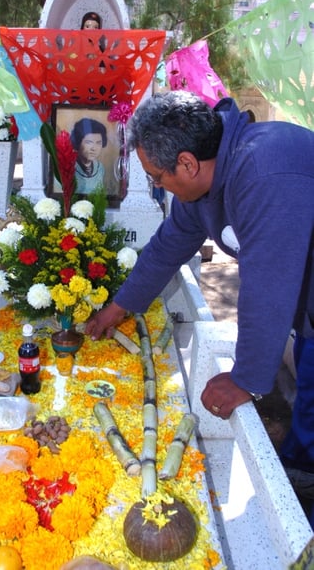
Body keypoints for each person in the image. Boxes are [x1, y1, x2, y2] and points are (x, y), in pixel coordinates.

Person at [85, 90, 314, 525]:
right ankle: (302, 470)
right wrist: (118, 308)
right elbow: (166, 249)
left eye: (156, 176)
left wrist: (247, 379)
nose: (155, 184)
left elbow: (267, 284)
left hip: (296, 289)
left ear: (187, 164)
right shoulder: (199, 189)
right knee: (310, 393)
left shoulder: (264, 171)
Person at [71, 118, 107, 194]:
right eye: (88, 142)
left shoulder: (99, 167)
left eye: (98, 143)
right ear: (78, 142)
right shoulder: (68, 167)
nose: (94, 148)